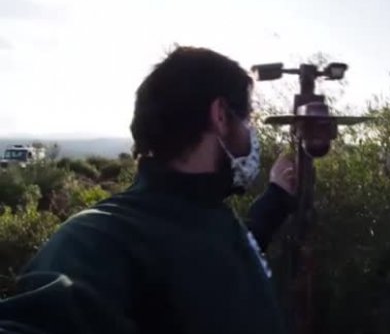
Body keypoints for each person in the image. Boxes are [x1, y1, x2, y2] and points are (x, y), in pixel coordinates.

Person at [0, 46, 296, 334]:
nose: (251, 134)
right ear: (220, 115)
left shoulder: (203, 214)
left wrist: (277, 196)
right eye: (247, 119)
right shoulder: (95, 239)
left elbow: (216, 257)